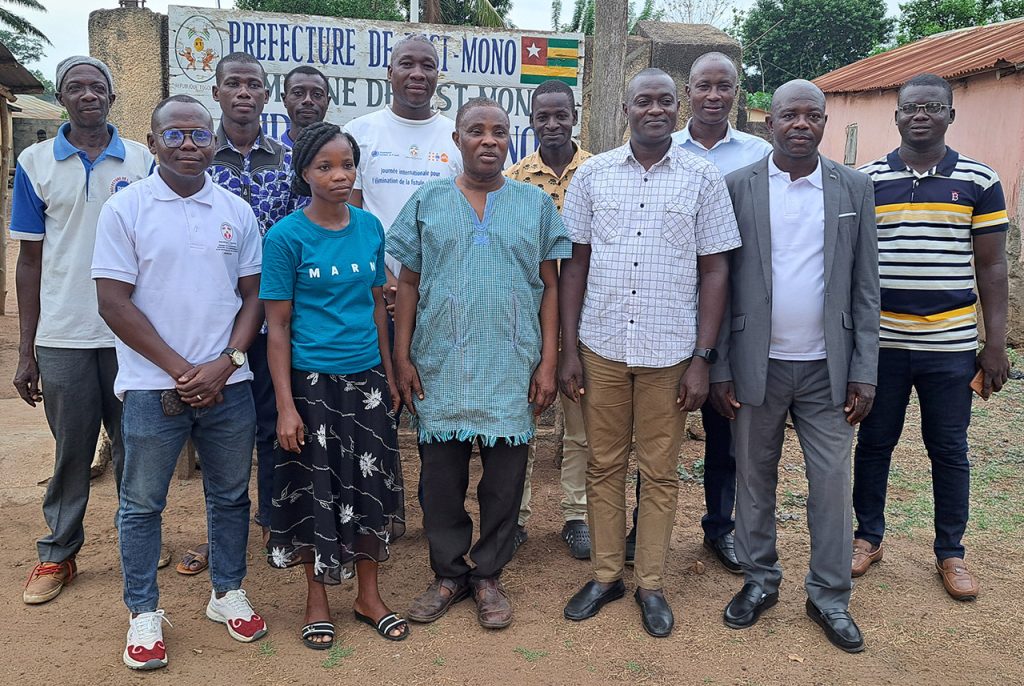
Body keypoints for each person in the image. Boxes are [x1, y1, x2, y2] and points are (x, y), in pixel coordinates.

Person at [560, 68, 739, 639]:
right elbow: (575, 266)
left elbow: (715, 271)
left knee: (660, 472)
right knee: (603, 465)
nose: (655, 109)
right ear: (626, 109)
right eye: (644, 101)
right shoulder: (593, 175)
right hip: (602, 346)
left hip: (671, 353)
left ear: (677, 105)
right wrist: (568, 350)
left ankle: (652, 584)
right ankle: (606, 575)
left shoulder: (702, 177)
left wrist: (703, 357)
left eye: (665, 100)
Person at [93, 94, 267, 670]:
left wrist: (227, 362)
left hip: (228, 386)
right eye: (175, 135)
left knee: (231, 495)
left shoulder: (236, 210)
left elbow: (253, 297)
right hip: (151, 387)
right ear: (153, 141)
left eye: (198, 134)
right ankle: (143, 612)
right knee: (142, 503)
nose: (188, 144)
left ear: (213, 142)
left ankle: (228, 591)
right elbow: (114, 303)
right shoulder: (126, 209)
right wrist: (181, 370)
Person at [710, 80, 879, 653]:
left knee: (831, 485)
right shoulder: (738, 185)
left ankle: (829, 597)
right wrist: (719, 367)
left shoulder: (854, 187)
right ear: (770, 122)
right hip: (755, 364)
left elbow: (866, 287)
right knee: (754, 480)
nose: (801, 124)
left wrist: (865, 370)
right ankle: (760, 580)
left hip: (829, 369)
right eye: (789, 115)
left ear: (826, 123)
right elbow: (719, 281)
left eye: (813, 115)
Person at [388, 97, 570, 630]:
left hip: (510, 365)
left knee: (504, 484)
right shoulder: (427, 201)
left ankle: (488, 575)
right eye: (476, 130)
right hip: (440, 365)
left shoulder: (534, 206)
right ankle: (448, 574)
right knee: (441, 483)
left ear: (510, 139)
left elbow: (551, 287)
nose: (488, 140)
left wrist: (548, 362)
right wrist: (402, 357)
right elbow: (408, 285)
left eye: (498, 131)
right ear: (457, 139)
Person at [851, 73, 1009, 601]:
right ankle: (867, 538)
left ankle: (951, 552)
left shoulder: (980, 179)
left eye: (933, 107)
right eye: (911, 108)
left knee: (949, 448)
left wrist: (994, 344)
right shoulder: (867, 180)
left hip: (951, 344)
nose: (921, 115)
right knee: (875, 443)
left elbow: (992, 266)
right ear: (896, 116)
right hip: (882, 343)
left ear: (950, 115)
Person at [12, 56, 153, 605]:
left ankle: (137, 541)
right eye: (76, 87)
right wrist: (26, 350)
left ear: (113, 97)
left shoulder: (142, 160)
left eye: (98, 86)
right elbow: (29, 260)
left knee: (134, 445)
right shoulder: (34, 162)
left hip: (132, 334)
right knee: (72, 451)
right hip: (64, 334)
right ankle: (58, 552)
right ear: (61, 97)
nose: (88, 94)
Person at [261, 122, 407, 649]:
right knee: (316, 488)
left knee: (369, 487)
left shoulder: (369, 227)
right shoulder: (285, 238)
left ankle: (369, 596)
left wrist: (389, 374)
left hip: (367, 380)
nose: (339, 175)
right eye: (325, 166)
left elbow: (377, 306)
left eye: (347, 165)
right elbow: (277, 326)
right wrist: (285, 406)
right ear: (305, 173)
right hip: (311, 385)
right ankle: (317, 599)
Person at [625, 51, 772, 571]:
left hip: (735, 313)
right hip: (665, 312)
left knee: (726, 429)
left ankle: (720, 527)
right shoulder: (660, 146)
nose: (714, 96)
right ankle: (642, 528)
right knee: (655, 434)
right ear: (687, 92)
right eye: (704, 86)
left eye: (724, 86)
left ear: (737, 92)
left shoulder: (759, 154)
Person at [179, 52, 297, 576]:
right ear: (217, 92)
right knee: (215, 433)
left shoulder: (288, 160)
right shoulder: (195, 158)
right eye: (233, 84)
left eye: (253, 84)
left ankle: (273, 522)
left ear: (266, 95)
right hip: (210, 318)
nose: (243, 92)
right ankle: (217, 535)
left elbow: (301, 232)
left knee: (271, 426)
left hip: (271, 319)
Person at [504, 79, 593, 560]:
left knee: (580, 426)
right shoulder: (514, 180)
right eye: (544, 116)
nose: (553, 124)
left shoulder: (598, 172)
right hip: (529, 322)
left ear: (574, 116)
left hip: (586, 320)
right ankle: (515, 517)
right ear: (532, 120)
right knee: (523, 420)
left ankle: (576, 515)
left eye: (562, 115)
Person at [345, 34, 462, 312]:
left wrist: (425, 291)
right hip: (373, 291)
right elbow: (349, 218)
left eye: (428, 66)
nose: (418, 73)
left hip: (441, 295)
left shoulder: (457, 137)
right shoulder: (357, 133)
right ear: (390, 72)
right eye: (407, 64)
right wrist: (385, 281)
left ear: (437, 75)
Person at [280, 65, 329, 147]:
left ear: (328, 102)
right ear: (285, 100)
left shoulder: (341, 152)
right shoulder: (269, 152)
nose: (308, 100)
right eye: (298, 93)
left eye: (317, 94)